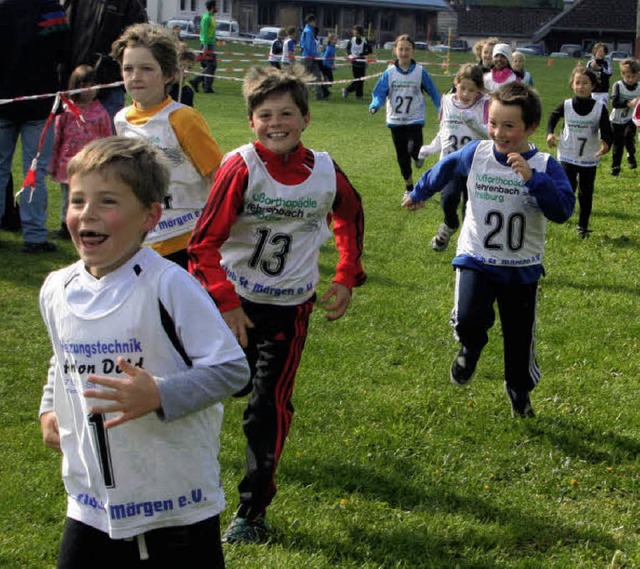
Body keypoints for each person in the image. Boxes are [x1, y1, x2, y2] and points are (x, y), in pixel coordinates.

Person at [38, 136, 249, 567]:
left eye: (107, 202)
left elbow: (231, 369)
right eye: (78, 200)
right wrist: (49, 407)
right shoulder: (57, 288)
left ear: (150, 216)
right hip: (91, 499)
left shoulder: (169, 285)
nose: (87, 215)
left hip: (175, 503)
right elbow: (62, 359)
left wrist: (160, 394)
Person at [187, 65, 366, 544]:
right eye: (265, 115)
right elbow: (202, 245)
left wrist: (347, 274)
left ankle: (252, 511)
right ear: (251, 122)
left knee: (268, 409)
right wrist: (225, 303)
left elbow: (350, 214)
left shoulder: (325, 171)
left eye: (286, 113)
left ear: (305, 118)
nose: (276, 123)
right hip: (232, 306)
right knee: (213, 390)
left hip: (290, 309)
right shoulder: (241, 167)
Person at [402, 83, 575, 418]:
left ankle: (519, 391)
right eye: (494, 122)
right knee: (468, 319)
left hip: (521, 268)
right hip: (476, 257)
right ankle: (471, 348)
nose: (499, 132)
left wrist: (533, 180)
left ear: (531, 127)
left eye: (509, 125)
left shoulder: (544, 165)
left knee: (518, 337)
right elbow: (446, 168)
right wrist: (420, 191)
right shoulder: (478, 153)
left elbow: (563, 210)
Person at [112, 23, 223, 269]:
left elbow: (217, 176)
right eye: (128, 68)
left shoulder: (183, 118)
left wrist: (215, 231)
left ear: (169, 74)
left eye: (146, 69)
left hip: (188, 238)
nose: (135, 76)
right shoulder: (121, 120)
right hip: (144, 240)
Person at [0, 0, 69, 253]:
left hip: (5, 99)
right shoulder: (51, 9)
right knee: (35, 172)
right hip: (39, 101)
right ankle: (35, 236)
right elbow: (63, 50)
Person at [418, 63, 490, 252]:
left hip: (474, 165)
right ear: (456, 83)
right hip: (450, 163)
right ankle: (450, 224)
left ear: (479, 91)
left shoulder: (485, 104)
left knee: (471, 207)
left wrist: (474, 125)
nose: (466, 94)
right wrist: (430, 148)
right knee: (448, 199)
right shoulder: (447, 101)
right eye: (462, 88)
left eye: (471, 90)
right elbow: (444, 131)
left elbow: (491, 137)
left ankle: (468, 245)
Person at [369, 34, 441, 201]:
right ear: (395, 51)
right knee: (402, 156)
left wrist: (441, 109)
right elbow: (379, 92)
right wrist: (375, 105)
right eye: (401, 49)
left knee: (413, 150)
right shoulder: (390, 72)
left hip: (414, 119)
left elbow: (433, 92)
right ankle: (409, 188)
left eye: (407, 49)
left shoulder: (420, 71)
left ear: (413, 51)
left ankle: (418, 156)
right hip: (395, 120)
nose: (404, 52)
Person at [49, 65, 113, 240]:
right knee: (69, 197)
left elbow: (108, 139)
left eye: (92, 85)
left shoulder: (101, 113)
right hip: (67, 164)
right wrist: (52, 163)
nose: (88, 90)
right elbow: (56, 138)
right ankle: (66, 224)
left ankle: (89, 224)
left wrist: (107, 162)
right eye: (84, 85)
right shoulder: (66, 110)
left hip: (93, 165)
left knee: (91, 196)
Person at [547, 66, 612, 238]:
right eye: (577, 83)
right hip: (568, 153)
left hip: (589, 156)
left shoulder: (599, 107)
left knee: (586, 191)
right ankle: (562, 214)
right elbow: (553, 116)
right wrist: (550, 132)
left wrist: (606, 142)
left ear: (593, 86)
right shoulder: (567, 105)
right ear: (572, 85)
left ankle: (583, 225)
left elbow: (606, 128)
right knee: (567, 187)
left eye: (585, 83)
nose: (581, 86)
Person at [63, 0, 148, 124]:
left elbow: (140, 41)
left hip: (109, 86)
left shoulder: (129, 4)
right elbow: (64, 36)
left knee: (108, 142)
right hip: (76, 83)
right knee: (73, 139)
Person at [609, 57, 640, 176]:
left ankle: (631, 155)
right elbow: (615, 103)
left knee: (628, 136)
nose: (630, 79)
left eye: (633, 77)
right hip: (617, 119)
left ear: (637, 75)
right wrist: (629, 103)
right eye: (628, 77)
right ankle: (615, 167)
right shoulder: (618, 85)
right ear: (623, 75)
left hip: (631, 118)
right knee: (618, 144)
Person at [191, 0, 217, 94]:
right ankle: (204, 86)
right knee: (211, 65)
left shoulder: (212, 17)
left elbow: (211, 31)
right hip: (206, 44)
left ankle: (199, 82)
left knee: (211, 66)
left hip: (211, 43)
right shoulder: (206, 18)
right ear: (212, 7)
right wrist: (205, 46)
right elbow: (204, 33)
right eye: (216, 6)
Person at [342, 25, 373, 101]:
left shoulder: (364, 40)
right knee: (357, 79)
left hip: (362, 62)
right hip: (354, 62)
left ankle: (347, 90)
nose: (353, 32)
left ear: (359, 32)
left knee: (361, 79)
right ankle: (358, 95)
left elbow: (370, 50)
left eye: (355, 30)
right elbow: (348, 49)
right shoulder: (352, 40)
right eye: (353, 30)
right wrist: (350, 55)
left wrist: (362, 54)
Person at [299, 13, 324, 100]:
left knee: (317, 76)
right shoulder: (309, 31)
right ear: (312, 21)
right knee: (306, 77)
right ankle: (302, 95)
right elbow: (309, 45)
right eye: (314, 22)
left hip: (309, 56)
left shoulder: (305, 30)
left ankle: (319, 94)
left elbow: (301, 44)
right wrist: (316, 55)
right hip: (309, 57)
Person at [586, 43, 612, 109]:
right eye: (599, 51)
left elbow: (609, 73)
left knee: (603, 109)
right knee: (591, 109)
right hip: (592, 91)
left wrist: (599, 68)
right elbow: (586, 75)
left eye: (603, 51)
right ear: (595, 52)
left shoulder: (607, 63)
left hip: (603, 92)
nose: (601, 53)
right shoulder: (590, 62)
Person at [320, 33, 337, 98]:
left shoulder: (333, 47)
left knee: (329, 80)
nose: (336, 41)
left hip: (329, 66)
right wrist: (329, 65)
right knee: (328, 80)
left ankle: (325, 92)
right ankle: (325, 92)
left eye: (336, 40)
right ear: (330, 40)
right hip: (325, 66)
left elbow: (332, 58)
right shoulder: (329, 48)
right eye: (334, 40)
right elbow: (325, 57)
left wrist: (333, 65)